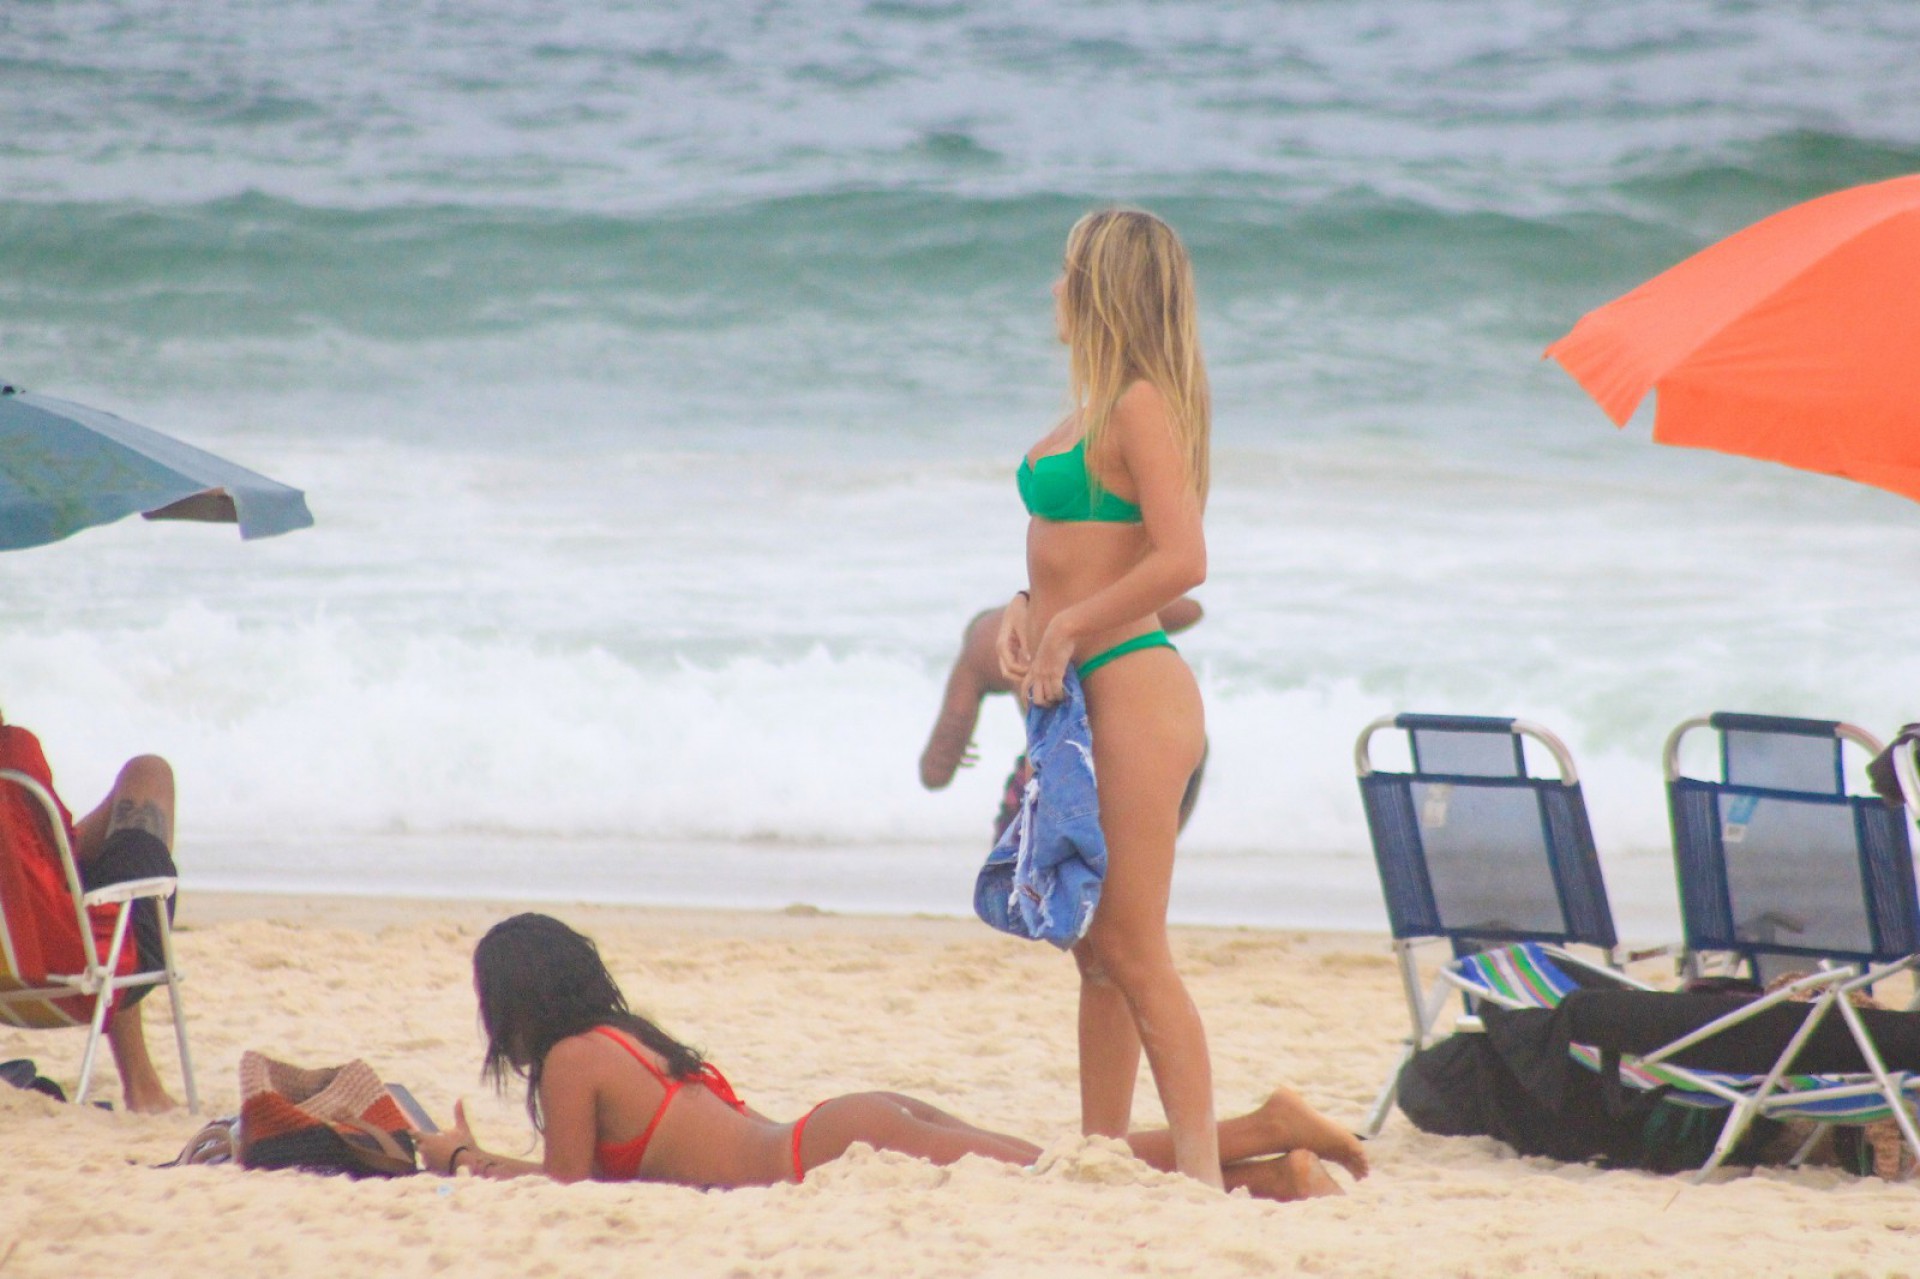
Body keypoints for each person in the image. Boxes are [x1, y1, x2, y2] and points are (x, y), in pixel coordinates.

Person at [413, 913, 1368, 1197]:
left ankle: (1270, 1124)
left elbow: (567, 1186)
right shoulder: (624, 1035)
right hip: (842, 1123)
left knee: (1054, 1172)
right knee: (1055, 1167)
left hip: (824, 1149)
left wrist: (463, 1157)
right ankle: (1278, 1174)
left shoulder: (574, 1060)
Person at [995, 209, 1223, 1184]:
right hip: (1076, 700)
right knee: (1091, 943)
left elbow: (1186, 564)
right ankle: (1101, 1154)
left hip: (1132, 692)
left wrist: (1069, 626)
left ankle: (1205, 1175)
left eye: (1065, 272)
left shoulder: (1140, 403)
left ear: (1101, 287)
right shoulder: (1090, 409)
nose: (1052, 288)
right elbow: (1117, 567)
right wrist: (1024, 605)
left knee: (1134, 945)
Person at [0, 711, 183, 1112]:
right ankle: (142, 1085)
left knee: (122, 803)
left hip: (6, 973)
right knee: (150, 773)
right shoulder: (13, 755)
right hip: (69, 968)